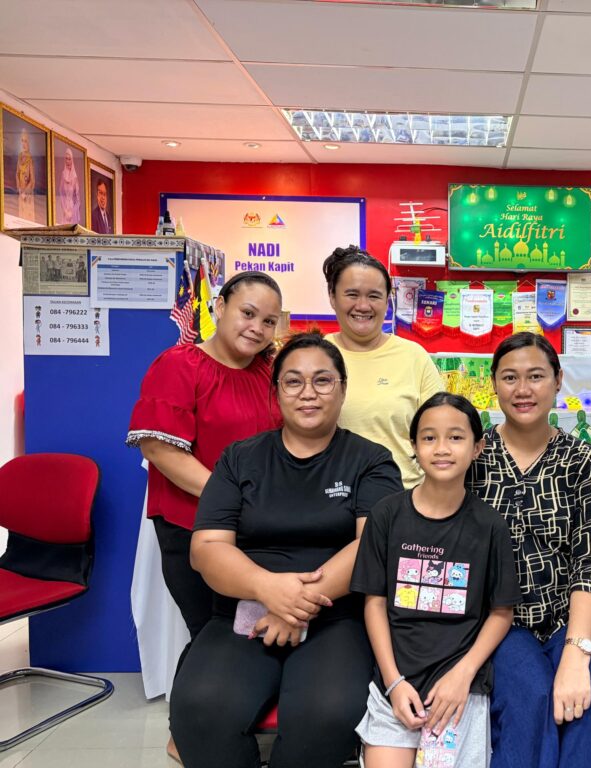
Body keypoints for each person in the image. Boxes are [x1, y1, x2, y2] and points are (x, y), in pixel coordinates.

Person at [170, 331, 403, 768]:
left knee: (327, 714)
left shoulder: (370, 460)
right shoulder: (239, 458)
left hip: (337, 617)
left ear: (343, 389)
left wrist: (295, 605)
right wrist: (267, 589)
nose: (308, 393)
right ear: (276, 391)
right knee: (201, 709)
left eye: (322, 380)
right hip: (243, 613)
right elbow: (207, 548)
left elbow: (372, 545)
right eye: (293, 381)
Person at [126, 271, 284, 764]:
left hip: (254, 527)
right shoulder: (180, 365)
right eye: (248, 313)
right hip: (190, 525)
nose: (257, 328)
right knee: (210, 629)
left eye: (269, 321)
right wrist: (226, 497)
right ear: (220, 307)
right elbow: (159, 448)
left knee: (241, 630)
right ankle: (188, 732)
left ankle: (221, 720)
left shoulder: (268, 371)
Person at [466, 332, 591, 768]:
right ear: (494, 383)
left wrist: (577, 650)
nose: (523, 389)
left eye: (536, 376)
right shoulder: (473, 457)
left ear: (558, 380)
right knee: (531, 695)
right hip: (499, 620)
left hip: (566, 614)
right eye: (510, 377)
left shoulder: (582, 460)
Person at [352, 393, 521, 767]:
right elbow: (374, 603)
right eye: (429, 437)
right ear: (413, 445)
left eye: (455, 437)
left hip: (458, 691)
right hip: (396, 687)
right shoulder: (386, 515)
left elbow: (501, 613)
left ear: (477, 447)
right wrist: (394, 683)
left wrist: (463, 675)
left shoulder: (490, 525)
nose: (442, 448)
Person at [324, 245, 444, 488]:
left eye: (374, 296)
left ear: (388, 300)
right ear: (332, 297)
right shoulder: (315, 356)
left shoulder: (413, 356)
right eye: (352, 294)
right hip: (331, 496)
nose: (363, 306)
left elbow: (442, 432)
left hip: (403, 496)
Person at [56, 146, 81, 225]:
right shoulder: (63, 174)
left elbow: (78, 199)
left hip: (72, 209)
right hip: (64, 208)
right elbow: (61, 192)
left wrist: (72, 212)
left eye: (69, 159)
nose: (67, 161)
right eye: (66, 159)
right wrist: (64, 210)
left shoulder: (75, 177)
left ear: (72, 160)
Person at [15, 129, 34, 220]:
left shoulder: (30, 159)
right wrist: (19, 189)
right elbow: (17, 173)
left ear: (28, 142)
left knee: (27, 218)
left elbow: (32, 179)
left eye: (25, 141)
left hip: (27, 194)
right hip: (20, 192)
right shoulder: (19, 157)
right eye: (22, 141)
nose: (23, 144)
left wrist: (25, 192)